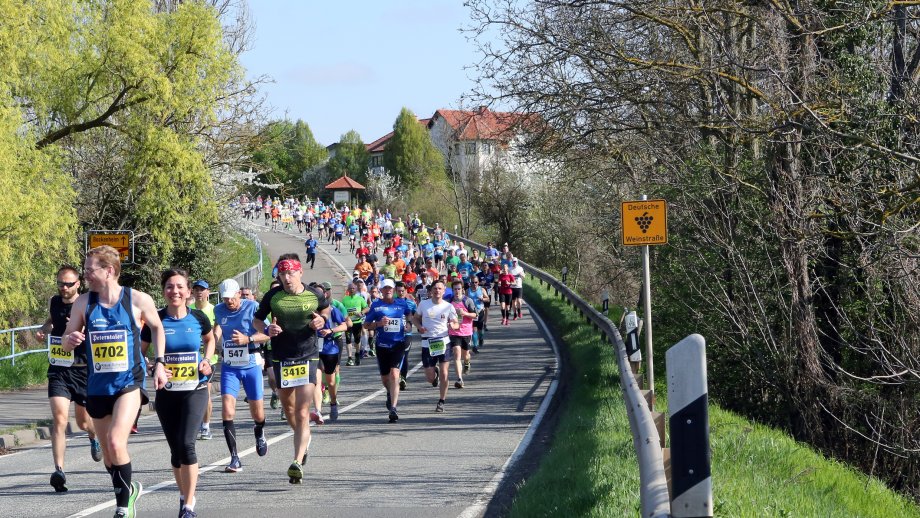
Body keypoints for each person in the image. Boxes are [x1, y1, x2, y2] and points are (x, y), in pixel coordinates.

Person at [62, 245, 167, 518]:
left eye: (89, 270)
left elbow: (157, 327)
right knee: (108, 453)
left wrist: (160, 363)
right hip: (96, 386)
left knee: (116, 441)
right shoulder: (84, 303)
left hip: (128, 382)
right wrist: (70, 340)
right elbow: (66, 340)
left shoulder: (137, 299)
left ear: (108, 271)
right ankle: (128, 489)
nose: (85, 275)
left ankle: (123, 506)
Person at [141, 269, 214, 518]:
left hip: (196, 389)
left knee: (187, 444)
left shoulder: (198, 318)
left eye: (180, 287)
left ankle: (189, 505)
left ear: (188, 291)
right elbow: (140, 351)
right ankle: (183, 494)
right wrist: (151, 365)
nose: (175, 291)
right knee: (175, 450)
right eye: (170, 287)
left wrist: (207, 360)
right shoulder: (155, 320)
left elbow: (210, 339)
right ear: (164, 291)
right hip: (167, 392)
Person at [252, 255, 328, 484]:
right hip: (282, 357)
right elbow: (257, 320)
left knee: (303, 412)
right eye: (282, 274)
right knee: (291, 410)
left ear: (300, 272)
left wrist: (321, 322)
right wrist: (267, 328)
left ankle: (296, 461)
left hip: (307, 355)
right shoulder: (273, 297)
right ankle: (304, 438)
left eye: (290, 273)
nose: (286, 278)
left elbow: (325, 312)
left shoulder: (314, 294)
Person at [37, 265, 101, 493]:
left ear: (78, 284)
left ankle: (93, 437)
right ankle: (59, 471)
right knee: (60, 419)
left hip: (83, 370)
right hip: (59, 369)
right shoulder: (55, 301)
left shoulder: (86, 304)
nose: (64, 288)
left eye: (68, 284)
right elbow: (51, 320)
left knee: (84, 423)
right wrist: (44, 330)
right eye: (60, 283)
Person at [212, 279, 268, 473]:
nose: (229, 302)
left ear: (238, 294)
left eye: (232, 298)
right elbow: (217, 327)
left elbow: (268, 333)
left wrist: (248, 339)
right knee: (227, 410)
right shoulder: (219, 310)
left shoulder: (253, 307)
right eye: (225, 299)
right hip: (230, 366)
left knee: (258, 413)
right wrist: (214, 341)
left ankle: (259, 431)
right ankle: (234, 458)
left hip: (251, 363)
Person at [363, 279, 413, 423]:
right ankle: (390, 393)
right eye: (385, 288)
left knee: (394, 374)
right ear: (382, 290)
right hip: (382, 346)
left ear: (394, 289)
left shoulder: (402, 303)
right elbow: (366, 325)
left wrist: (408, 324)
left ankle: (393, 408)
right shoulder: (376, 306)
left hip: (398, 344)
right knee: (386, 379)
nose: (388, 290)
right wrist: (379, 323)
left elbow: (409, 314)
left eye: (390, 288)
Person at [412, 280, 459, 413]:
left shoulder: (449, 306)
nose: (437, 291)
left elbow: (456, 323)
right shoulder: (424, 304)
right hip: (427, 343)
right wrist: (419, 327)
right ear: (431, 291)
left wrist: (452, 326)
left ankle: (441, 401)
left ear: (444, 291)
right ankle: (435, 374)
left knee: (445, 373)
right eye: (435, 288)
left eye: (440, 288)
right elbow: (415, 318)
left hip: (443, 342)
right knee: (430, 378)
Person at [190, 280, 217, 441]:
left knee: (205, 393)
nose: (199, 292)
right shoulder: (187, 310)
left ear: (208, 292)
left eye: (203, 289)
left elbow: (216, 334)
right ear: (192, 292)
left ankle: (205, 426)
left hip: (209, 359)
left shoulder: (214, 310)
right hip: (188, 359)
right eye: (196, 289)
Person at [448, 280, 478, 386]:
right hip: (454, 332)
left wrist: (464, 313)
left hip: (466, 331)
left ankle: (467, 362)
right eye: (455, 289)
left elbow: (475, 315)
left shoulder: (467, 300)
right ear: (452, 290)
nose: (457, 291)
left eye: (459, 289)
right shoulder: (449, 301)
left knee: (466, 355)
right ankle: (459, 379)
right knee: (456, 354)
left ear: (462, 290)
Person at [341, 283, 369, 366]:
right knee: (348, 340)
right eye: (350, 288)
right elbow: (341, 310)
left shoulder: (360, 298)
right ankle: (349, 358)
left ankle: (357, 354)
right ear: (348, 290)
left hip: (357, 322)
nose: (352, 290)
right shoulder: (345, 299)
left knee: (357, 340)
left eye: (353, 288)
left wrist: (361, 312)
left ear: (356, 289)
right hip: (348, 323)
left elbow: (367, 307)